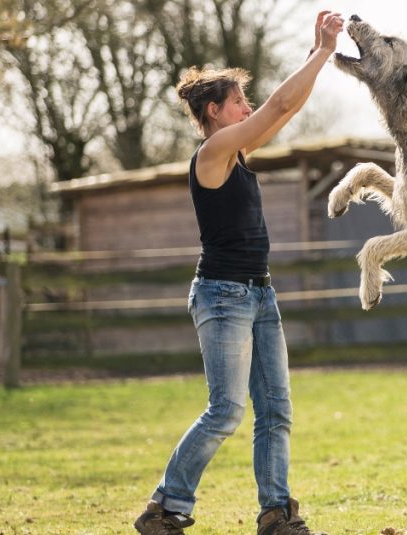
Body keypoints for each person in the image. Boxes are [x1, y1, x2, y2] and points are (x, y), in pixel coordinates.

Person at [134, 11, 344, 535]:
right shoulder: (213, 152)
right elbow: (277, 105)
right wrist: (321, 52)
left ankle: (276, 512)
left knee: (275, 410)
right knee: (226, 410)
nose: (248, 109)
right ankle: (165, 506)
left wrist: (317, 56)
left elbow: (282, 109)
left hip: (259, 295)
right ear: (214, 112)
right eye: (237, 103)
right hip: (222, 296)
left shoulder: (237, 153)